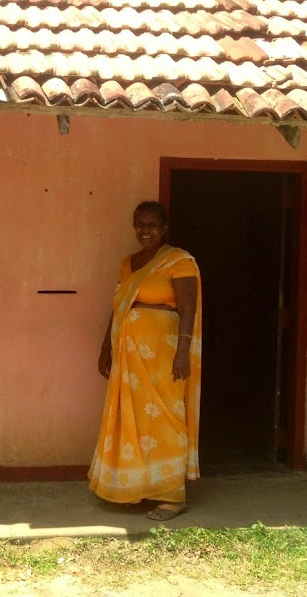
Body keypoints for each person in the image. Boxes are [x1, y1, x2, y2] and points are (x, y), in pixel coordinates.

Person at [88, 200, 202, 521]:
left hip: (165, 354)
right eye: (139, 223)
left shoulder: (179, 261)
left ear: (164, 228)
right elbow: (119, 307)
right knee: (133, 420)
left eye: (151, 224)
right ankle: (133, 488)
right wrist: (105, 348)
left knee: (166, 418)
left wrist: (183, 351)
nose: (145, 230)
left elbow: (188, 309)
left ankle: (170, 496)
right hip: (129, 355)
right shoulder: (128, 264)